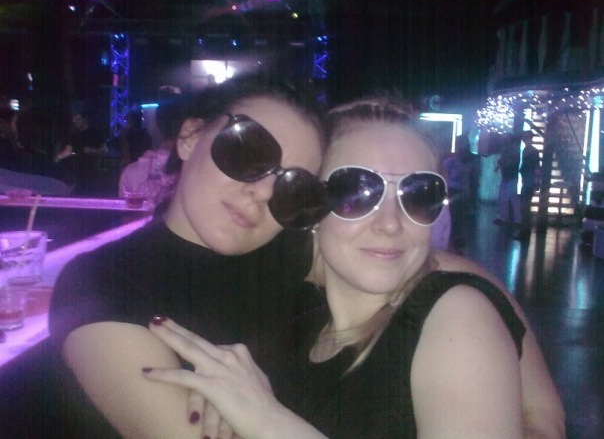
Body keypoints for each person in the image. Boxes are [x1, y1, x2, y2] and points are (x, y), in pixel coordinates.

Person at [141, 97, 565, 439]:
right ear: (309, 205)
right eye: (355, 192)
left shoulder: (454, 316)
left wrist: (267, 421)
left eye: (418, 195)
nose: (390, 224)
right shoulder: (291, 319)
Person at [48, 74, 329, 438]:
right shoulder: (99, 282)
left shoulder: (296, 257)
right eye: (248, 153)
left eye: (293, 186)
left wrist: (260, 413)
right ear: (189, 137)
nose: (263, 192)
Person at [55, 108, 109, 195]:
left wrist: (92, 151)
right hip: (77, 170)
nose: (76, 122)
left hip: (91, 169)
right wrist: (58, 158)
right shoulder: (73, 135)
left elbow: (105, 150)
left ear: (85, 119)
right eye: (74, 120)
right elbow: (68, 151)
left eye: (78, 119)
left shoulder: (95, 133)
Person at [515, 130, 541, 241]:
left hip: (528, 181)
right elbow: (537, 168)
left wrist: (536, 182)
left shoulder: (530, 151)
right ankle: (525, 231)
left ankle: (525, 231)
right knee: (525, 207)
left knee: (525, 207)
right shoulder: (531, 151)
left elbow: (535, 168)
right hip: (528, 181)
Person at [494, 132, 521, 228]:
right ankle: (505, 218)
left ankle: (515, 219)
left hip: (510, 176)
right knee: (505, 198)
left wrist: (501, 164)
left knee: (512, 199)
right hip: (507, 176)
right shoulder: (508, 150)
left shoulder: (513, 150)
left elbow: (510, 162)